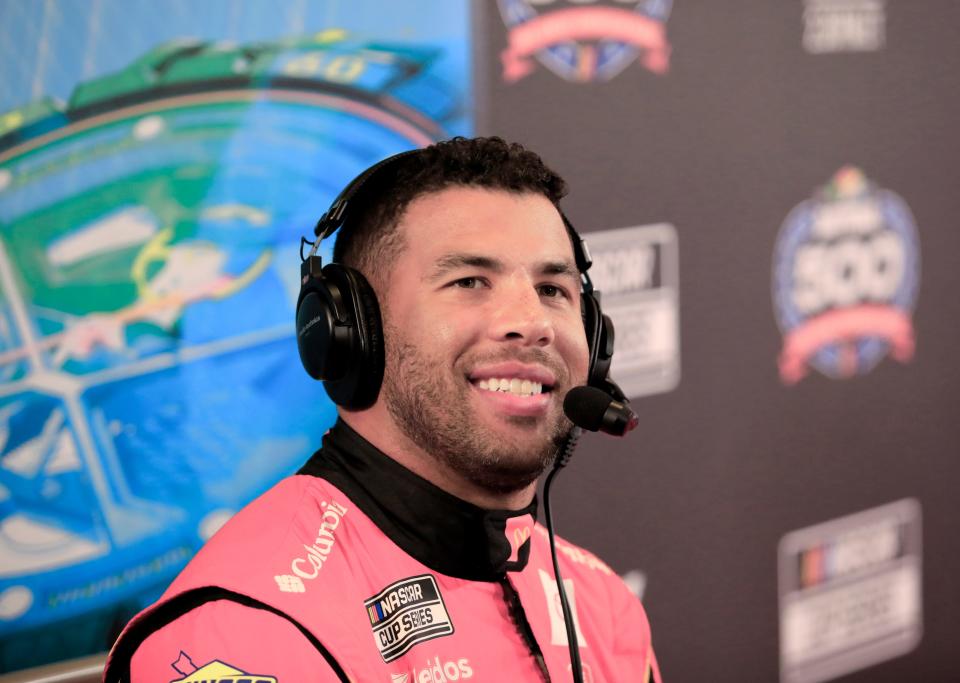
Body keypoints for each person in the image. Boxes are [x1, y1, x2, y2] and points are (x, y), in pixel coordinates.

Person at [103, 137, 661, 683]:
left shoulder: (599, 602)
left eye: (552, 289)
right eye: (469, 282)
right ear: (350, 333)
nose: (533, 323)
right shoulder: (248, 631)